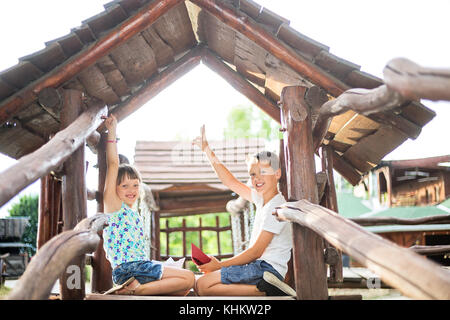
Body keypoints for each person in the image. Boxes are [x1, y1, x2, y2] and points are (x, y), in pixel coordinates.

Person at [192, 125, 295, 296]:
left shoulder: (276, 207)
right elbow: (230, 181)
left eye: (263, 171)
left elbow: (256, 252)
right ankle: (263, 290)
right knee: (201, 284)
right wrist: (207, 150)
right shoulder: (261, 200)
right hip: (259, 268)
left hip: (266, 269)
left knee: (202, 285)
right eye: (252, 174)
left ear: (277, 174)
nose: (257, 178)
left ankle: (266, 291)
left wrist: (219, 265)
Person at [102, 114, 195, 296]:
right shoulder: (114, 207)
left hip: (139, 268)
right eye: (125, 185)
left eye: (135, 185)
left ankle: (136, 289)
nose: (131, 190)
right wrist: (112, 131)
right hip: (129, 270)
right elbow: (113, 164)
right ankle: (135, 290)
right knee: (189, 278)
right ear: (114, 188)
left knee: (181, 289)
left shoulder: (133, 213)